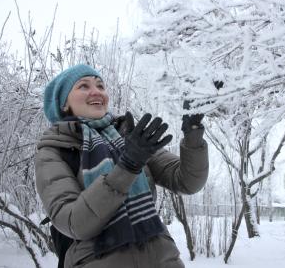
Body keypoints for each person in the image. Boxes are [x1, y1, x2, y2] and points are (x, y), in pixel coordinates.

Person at [35, 64, 209, 268]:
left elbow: (187, 182)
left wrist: (193, 134)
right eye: (83, 86)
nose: (96, 91)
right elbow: (75, 223)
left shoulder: (128, 135)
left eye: (100, 85)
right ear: (63, 104)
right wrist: (128, 166)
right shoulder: (53, 151)